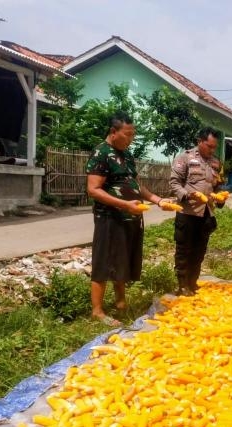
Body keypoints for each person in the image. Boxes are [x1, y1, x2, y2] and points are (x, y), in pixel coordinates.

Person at [86, 112, 171, 325]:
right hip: (110, 218)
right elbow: (93, 190)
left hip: (130, 218)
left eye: (133, 135)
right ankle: (97, 311)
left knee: (122, 261)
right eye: (128, 134)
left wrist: (158, 200)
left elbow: (136, 186)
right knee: (104, 262)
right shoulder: (101, 153)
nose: (131, 139)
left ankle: (121, 303)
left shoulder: (127, 155)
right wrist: (125, 205)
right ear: (113, 132)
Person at [169, 126, 223, 296]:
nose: (212, 150)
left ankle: (193, 282)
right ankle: (182, 284)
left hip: (206, 213)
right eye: (209, 146)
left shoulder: (216, 163)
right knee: (184, 249)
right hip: (188, 213)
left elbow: (217, 186)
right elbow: (174, 183)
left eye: (215, 147)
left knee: (199, 250)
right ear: (200, 141)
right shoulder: (184, 158)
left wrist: (220, 197)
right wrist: (188, 195)